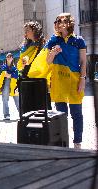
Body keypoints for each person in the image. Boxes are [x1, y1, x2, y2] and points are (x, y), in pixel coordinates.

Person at [46, 13, 87, 149]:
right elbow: (48, 61)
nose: (57, 24)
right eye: (56, 21)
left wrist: (82, 80)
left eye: (61, 21)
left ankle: (77, 143)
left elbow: (83, 62)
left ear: (69, 23)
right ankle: (63, 143)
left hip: (75, 81)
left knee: (77, 114)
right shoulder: (53, 41)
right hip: (59, 82)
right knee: (61, 116)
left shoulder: (79, 40)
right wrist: (53, 53)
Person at [0, 53, 19, 120]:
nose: (9, 57)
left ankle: (22, 114)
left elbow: (16, 76)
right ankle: (6, 115)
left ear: (12, 58)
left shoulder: (15, 68)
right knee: (5, 100)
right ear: (6, 58)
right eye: (8, 56)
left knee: (17, 100)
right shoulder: (4, 66)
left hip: (14, 85)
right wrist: (12, 75)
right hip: (5, 84)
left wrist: (10, 75)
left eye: (10, 56)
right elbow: (5, 74)